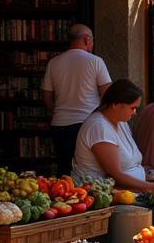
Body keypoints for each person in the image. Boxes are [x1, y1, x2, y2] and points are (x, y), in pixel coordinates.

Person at [72, 79, 154, 196]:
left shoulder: (122, 122)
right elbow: (115, 176)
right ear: (116, 104)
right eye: (132, 108)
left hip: (131, 192)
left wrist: (149, 178)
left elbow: (129, 164)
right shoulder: (99, 127)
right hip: (100, 196)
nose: (135, 112)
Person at [41, 23, 112, 175]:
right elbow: (108, 94)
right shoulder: (95, 61)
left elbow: (47, 97)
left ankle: (62, 196)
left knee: (64, 168)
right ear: (87, 39)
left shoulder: (53, 63)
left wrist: (56, 112)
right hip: (87, 123)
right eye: (92, 40)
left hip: (59, 124)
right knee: (87, 169)